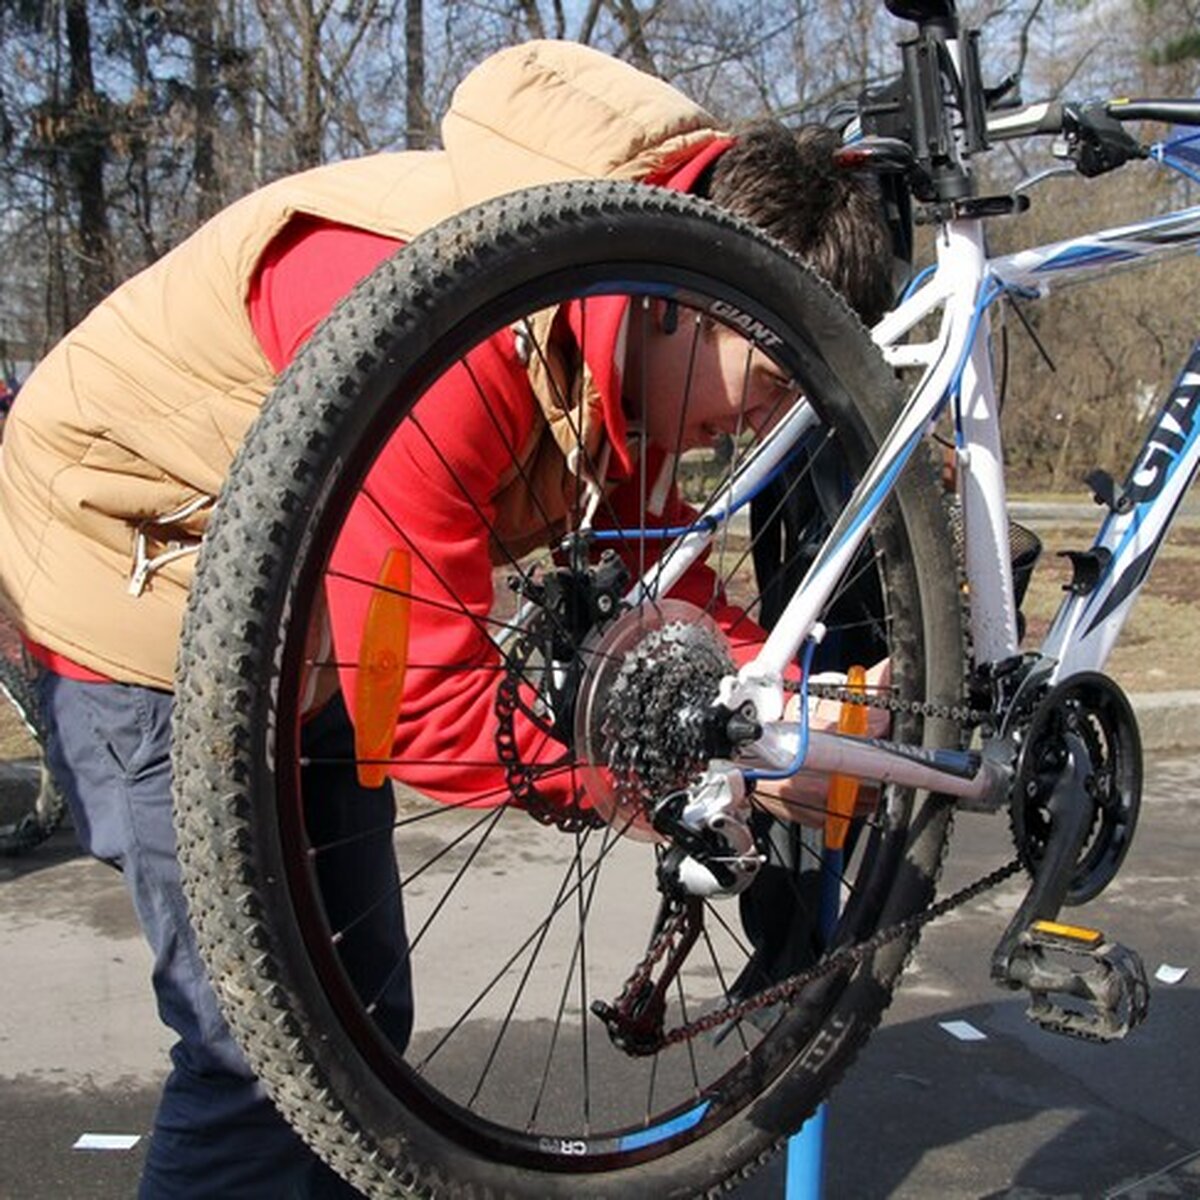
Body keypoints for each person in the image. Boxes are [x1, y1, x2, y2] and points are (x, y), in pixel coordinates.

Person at [0, 40, 892, 1199]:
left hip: (311, 613)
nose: (754, 427)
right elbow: (421, 705)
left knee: (356, 1005)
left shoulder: (610, 315)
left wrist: (768, 697)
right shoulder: (452, 319)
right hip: (139, 593)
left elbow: (649, 573)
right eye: (768, 385)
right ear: (690, 299)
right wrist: (677, 775)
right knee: (256, 1050)